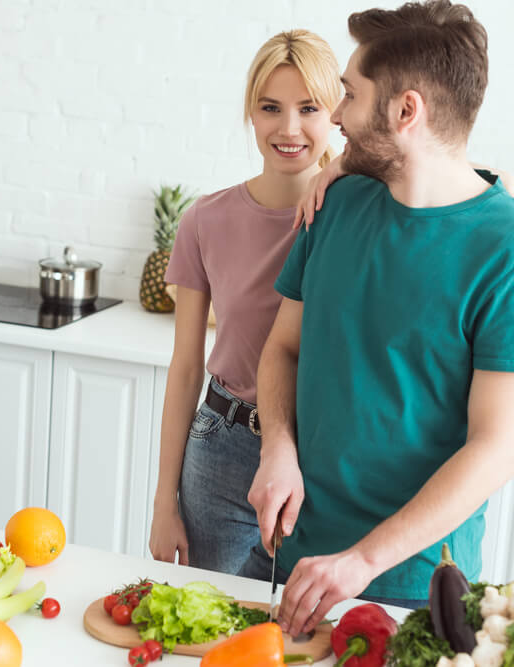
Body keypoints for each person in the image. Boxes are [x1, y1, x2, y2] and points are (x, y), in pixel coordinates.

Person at [241, 0, 514, 638]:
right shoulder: (335, 205)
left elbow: (494, 450)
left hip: (411, 592)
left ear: (405, 110)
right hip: (286, 559)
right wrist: (277, 444)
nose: (335, 116)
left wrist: (362, 560)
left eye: (349, 95)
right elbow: (283, 348)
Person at [148, 30, 342, 574]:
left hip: (318, 453)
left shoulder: (353, 217)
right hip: (220, 447)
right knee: (210, 632)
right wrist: (165, 501)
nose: (288, 128)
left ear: (337, 114)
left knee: (298, 640)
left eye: (309, 108)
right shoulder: (205, 220)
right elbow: (186, 365)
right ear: (250, 115)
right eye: (270, 108)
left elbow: (485, 180)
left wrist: (348, 168)